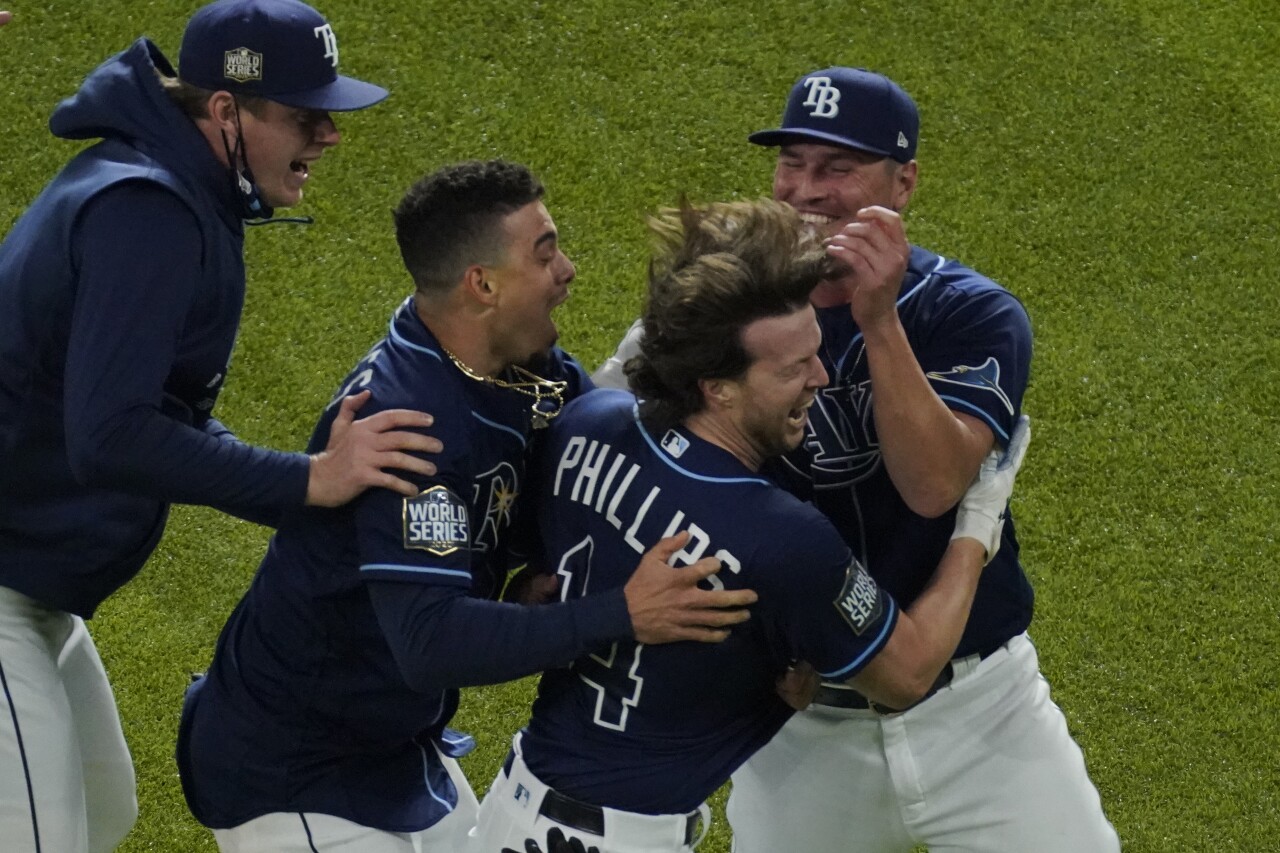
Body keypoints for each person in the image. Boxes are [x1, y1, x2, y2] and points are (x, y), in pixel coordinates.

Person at [594, 68, 1118, 852]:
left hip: (982, 711)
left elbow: (933, 484)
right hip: (800, 729)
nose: (807, 189)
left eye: (838, 168)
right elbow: (597, 440)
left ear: (903, 183)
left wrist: (878, 319)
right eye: (792, 163)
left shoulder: (968, 312)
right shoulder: (725, 318)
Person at [176, 160, 757, 853]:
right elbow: (431, 641)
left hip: (391, 747)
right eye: (545, 254)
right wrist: (622, 613)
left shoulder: (515, 366)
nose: (568, 269)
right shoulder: (410, 428)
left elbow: (588, 453)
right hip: (297, 773)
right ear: (481, 285)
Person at [0, 2, 437, 852]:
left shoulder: (156, 185)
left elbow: (152, 416)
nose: (330, 135)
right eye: (306, 117)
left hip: (31, 584)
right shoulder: (146, 212)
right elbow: (113, 435)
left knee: (100, 812)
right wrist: (306, 480)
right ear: (227, 112)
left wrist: (298, 479)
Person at [467, 199, 1030, 853]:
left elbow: (539, 578)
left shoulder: (586, 424)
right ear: (719, 388)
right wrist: (977, 520)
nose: (821, 378)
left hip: (513, 810)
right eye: (794, 368)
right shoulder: (781, 536)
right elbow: (907, 674)